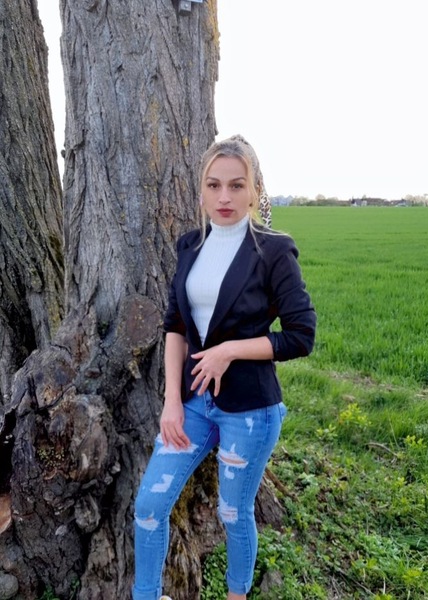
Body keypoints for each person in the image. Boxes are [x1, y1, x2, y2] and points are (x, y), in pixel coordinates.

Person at [132, 135, 316, 600]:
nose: (224, 197)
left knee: (233, 514)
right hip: (193, 405)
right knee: (149, 505)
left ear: (255, 191)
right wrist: (171, 402)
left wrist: (229, 350)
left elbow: (301, 335)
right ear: (201, 191)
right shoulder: (190, 245)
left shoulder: (274, 250)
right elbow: (175, 326)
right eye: (214, 185)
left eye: (236, 185)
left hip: (249, 409)